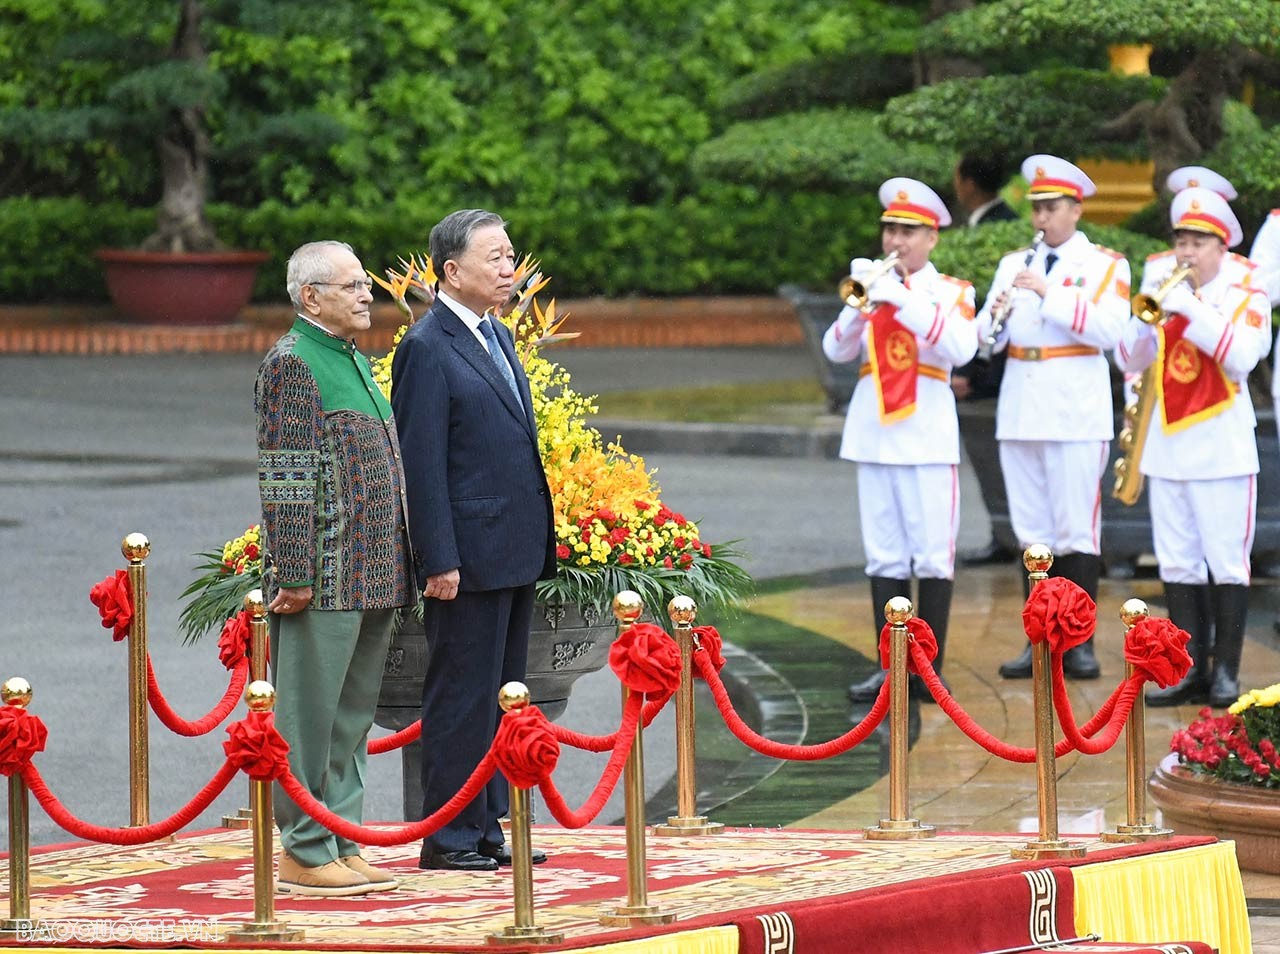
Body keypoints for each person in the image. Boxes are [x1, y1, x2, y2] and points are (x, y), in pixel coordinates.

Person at [391, 209, 556, 872]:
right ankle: (451, 836)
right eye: (493, 257)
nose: (508, 267)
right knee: (461, 695)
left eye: (511, 255)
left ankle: (489, 826)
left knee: (503, 694)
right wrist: (440, 558)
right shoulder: (427, 346)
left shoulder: (497, 333)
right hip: (467, 557)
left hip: (511, 547)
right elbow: (421, 460)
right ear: (451, 271)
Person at [255, 240, 415, 897]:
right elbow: (286, 476)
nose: (365, 297)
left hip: (374, 572)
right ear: (310, 296)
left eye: (366, 287)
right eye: (350, 286)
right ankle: (303, 849)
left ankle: (340, 840)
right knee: (310, 720)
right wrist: (291, 571)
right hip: (322, 577)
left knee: (349, 723)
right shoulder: (293, 363)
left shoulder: (349, 358)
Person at [824, 178, 978, 704]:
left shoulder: (951, 292)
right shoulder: (873, 285)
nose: (896, 240)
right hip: (874, 434)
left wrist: (902, 299)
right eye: (890, 228)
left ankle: (928, 671)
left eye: (908, 231)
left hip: (927, 435)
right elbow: (836, 350)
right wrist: (858, 305)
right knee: (885, 556)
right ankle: (890, 669)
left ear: (931, 238)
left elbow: (961, 346)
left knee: (932, 555)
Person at [1116, 187, 1271, 707]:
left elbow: (1243, 356)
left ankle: (1225, 671)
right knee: (1178, 561)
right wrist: (1147, 320)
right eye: (1181, 240)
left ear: (1221, 246)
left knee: (1226, 560)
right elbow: (1128, 357)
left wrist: (1192, 309)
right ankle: (1186, 670)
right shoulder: (1162, 284)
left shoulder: (1245, 293)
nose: (1186, 252)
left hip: (1222, 447)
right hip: (1169, 445)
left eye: (1198, 242)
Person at [978, 155, 1131, 681]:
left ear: (1075, 209)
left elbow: (1111, 331)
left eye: (1052, 207)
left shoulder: (1107, 265)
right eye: (1037, 207)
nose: (1041, 217)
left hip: (1074, 408)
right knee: (1032, 532)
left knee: (1075, 530)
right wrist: (991, 320)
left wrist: (1049, 292)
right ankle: (1040, 641)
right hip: (1021, 405)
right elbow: (985, 333)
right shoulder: (1012, 262)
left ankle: (1080, 643)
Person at [951, 152, 1020, 567]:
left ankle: (1007, 533)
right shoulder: (989, 227)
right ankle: (1003, 531)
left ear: (969, 183)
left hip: (999, 372)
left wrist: (974, 378)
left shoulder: (1001, 231)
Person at [953, 153, 1020, 228]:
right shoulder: (1008, 217)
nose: (956, 187)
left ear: (969, 185)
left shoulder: (992, 225)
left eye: (957, 181)